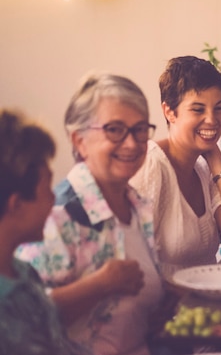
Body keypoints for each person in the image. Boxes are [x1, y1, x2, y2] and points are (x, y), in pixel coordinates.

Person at [16, 73, 165, 355]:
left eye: (140, 129)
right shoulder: (56, 214)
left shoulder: (138, 207)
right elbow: (21, 320)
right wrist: (101, 285)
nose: (132, 143)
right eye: (115, 129)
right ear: (79, 141)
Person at [130, 56, 221, 277]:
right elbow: (132, 262)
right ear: (169, 112)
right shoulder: (151, 165)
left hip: (208, 299)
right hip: (166, 307)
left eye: (219, 108)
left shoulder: (202, 166)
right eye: (198, 109)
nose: (212, 120)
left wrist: (215, 157)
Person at [0, 109, 88, 355]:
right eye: (48, 187)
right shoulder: (7, 316)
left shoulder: (23, 272)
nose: (54, 198)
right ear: (16, 204)